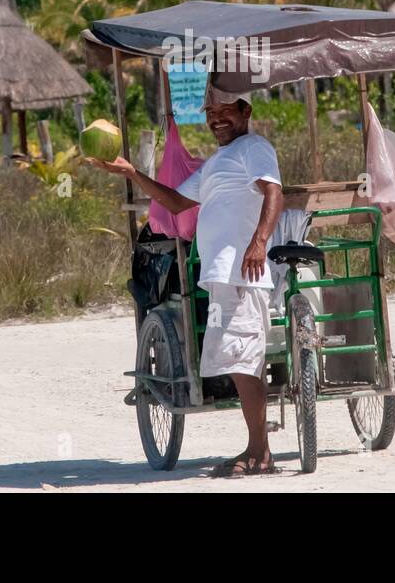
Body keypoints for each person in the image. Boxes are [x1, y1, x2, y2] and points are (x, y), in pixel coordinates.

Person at [86, 85, 284, 477]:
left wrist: (259, 241)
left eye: (224, 111)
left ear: (245, 112)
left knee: (245, 363)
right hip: (224, 276)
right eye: (210, 112)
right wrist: (132, 172)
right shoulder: (217, 161)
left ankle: (260, 453)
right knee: (241, 362)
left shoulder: (254, 148)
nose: (216, 119)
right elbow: (175, 202)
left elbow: (273, 192)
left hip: (241, 273)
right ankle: (257, 449)